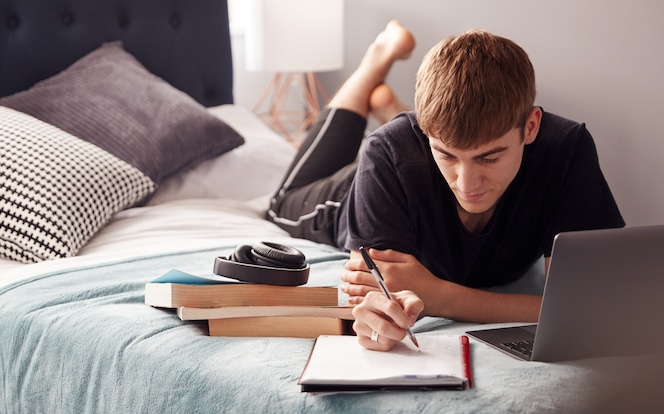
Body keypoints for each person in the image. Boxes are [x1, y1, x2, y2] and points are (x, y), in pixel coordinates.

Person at [266, 21, 624, 351]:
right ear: (426, 136)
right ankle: (378, 58)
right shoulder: (387, 154)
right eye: (448, 155)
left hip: (414, 153)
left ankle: (397, 112)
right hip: (349, 191)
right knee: (280, 204)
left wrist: (438, 296)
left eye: (489, 158)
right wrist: (377, 322)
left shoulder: (567, 150)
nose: (468, 185)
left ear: (530, 127)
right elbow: (373, 311)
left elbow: (590, 309)